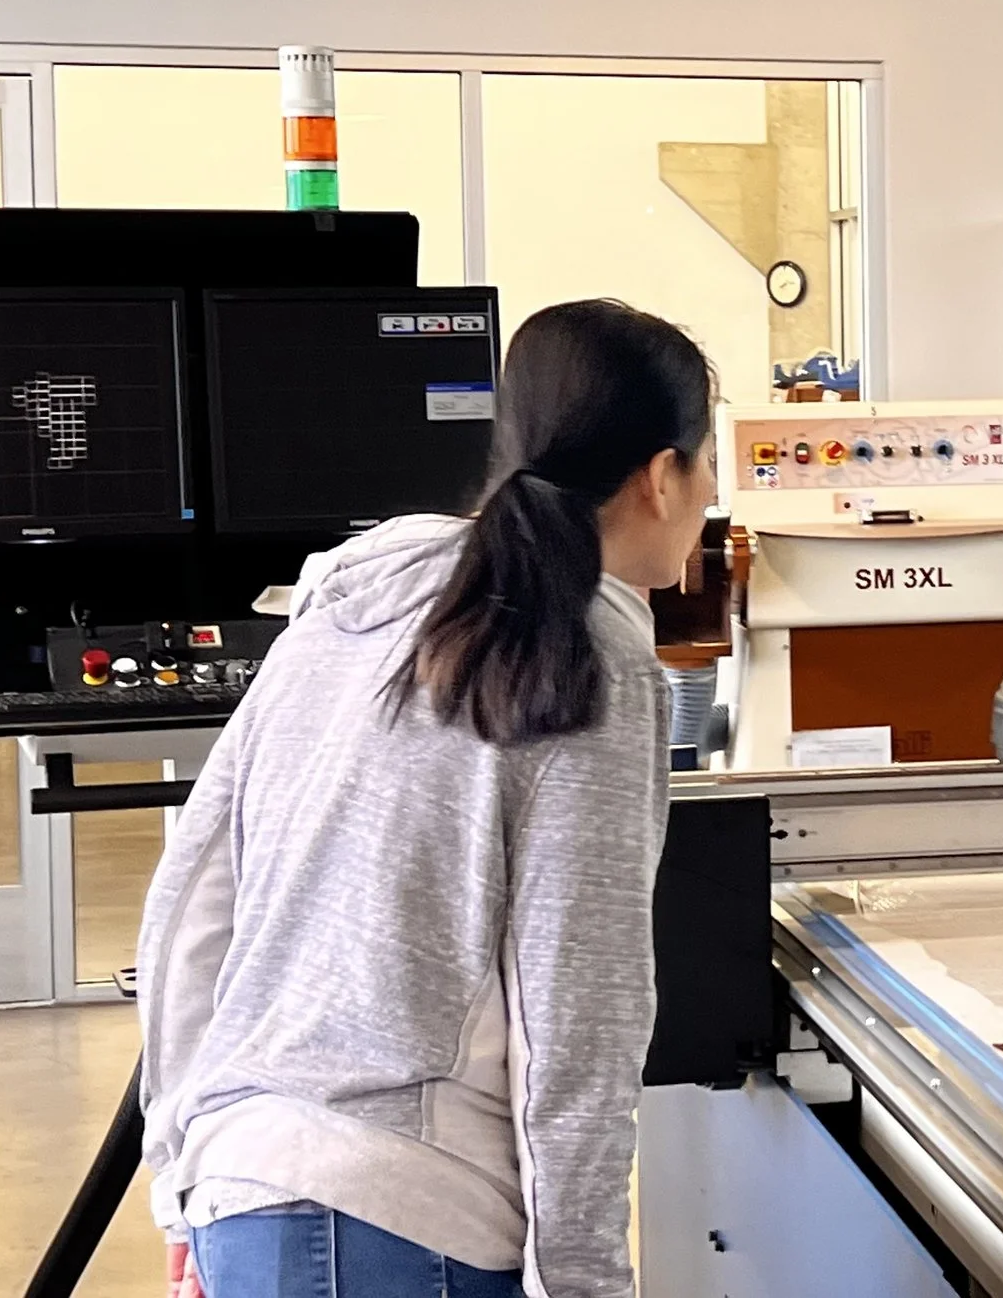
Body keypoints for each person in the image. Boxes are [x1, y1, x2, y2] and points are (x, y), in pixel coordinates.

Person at [136, 299, 717, 1298]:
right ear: (662, 476)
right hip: (412, 1222)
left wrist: (184, 1171)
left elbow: (190, 904)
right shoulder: (593, 654)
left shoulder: (343, 612)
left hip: (243, 1177)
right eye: (710, 463)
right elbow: (576, 1006)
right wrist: (579, 1277)